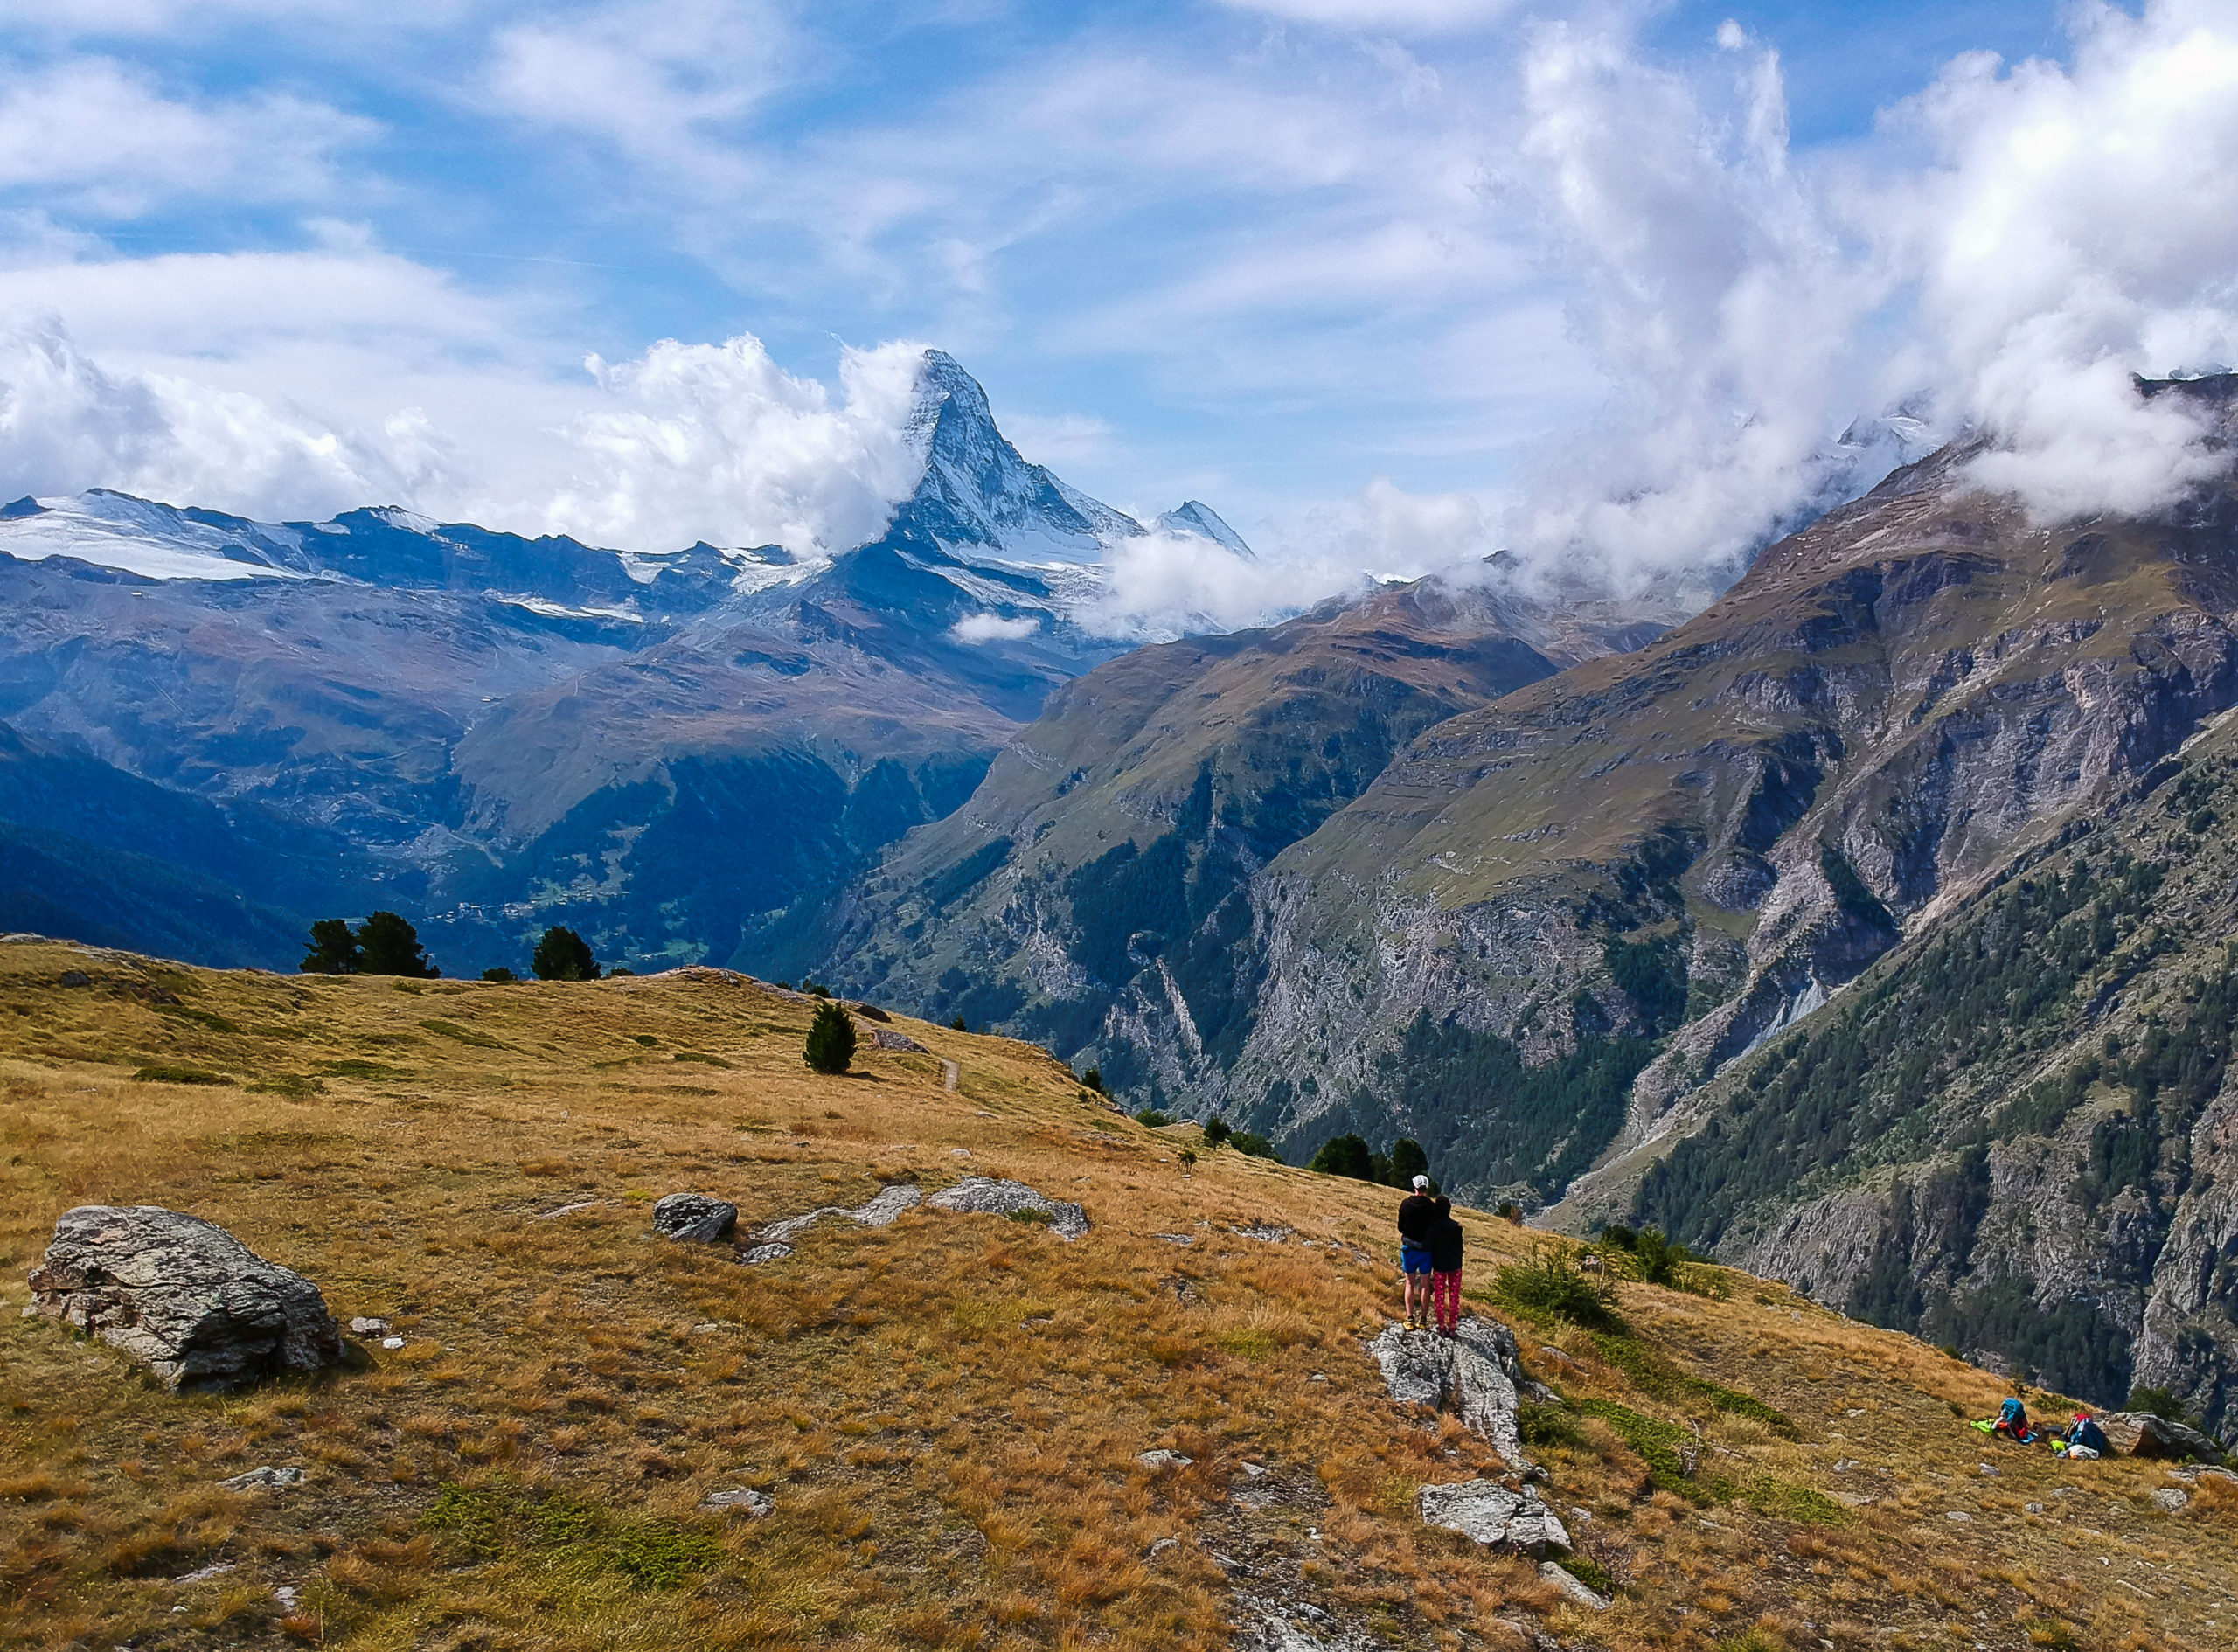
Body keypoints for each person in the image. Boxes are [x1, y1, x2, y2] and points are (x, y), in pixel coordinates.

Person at [1396, 1174, 1438, 1329]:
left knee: (1410, 1283)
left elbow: (1401, 1227)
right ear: (1426, 1188)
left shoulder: (1406, 1205)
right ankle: (1423, 1320)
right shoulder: (1432, 1207)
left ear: (1414, 1186)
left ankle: (1409, 1318)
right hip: (1426, 1250)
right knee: (1426, 1285)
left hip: (1409, 1249)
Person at [1429, 1194, 1464, 1336]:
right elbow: (1460, 1248)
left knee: (1439, 1296)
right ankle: (1453, 1326)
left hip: (1440, 1265)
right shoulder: (1457, 1227)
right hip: (1455, 1265)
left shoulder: (1434, 1227)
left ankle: (1441, 1326)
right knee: (1454, 1296)